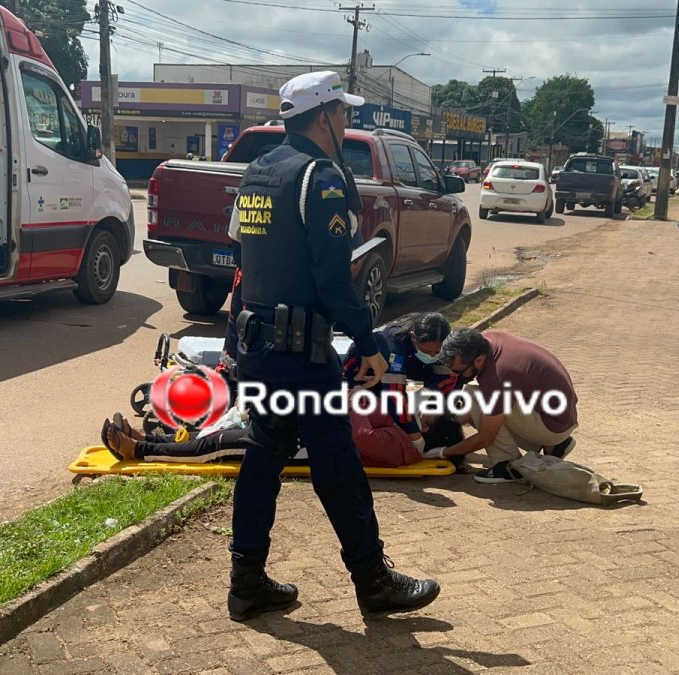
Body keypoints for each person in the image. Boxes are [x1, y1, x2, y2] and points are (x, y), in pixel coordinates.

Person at [224, 71, 440, 621]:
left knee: (264, 455)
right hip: (302, 354)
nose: (347, 121)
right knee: (337, 462)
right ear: (323, 117)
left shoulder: (259, 171)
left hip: (260, 347)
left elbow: (244, 262)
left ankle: (246, 580)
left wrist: (235, 339)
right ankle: (372, 579)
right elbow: (332, 279)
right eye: (343, 113)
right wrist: (369, 343)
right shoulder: (322, 177)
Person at [426, 328, 579, 484]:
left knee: (475, 397)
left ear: (478, 360)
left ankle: (507, 465)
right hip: (560, 417)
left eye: (459, 371)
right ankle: (554, 446)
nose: (456, 375)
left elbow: (486, 438)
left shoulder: (498, 377)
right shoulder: (488, 340)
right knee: (482, 408)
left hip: (552, 426)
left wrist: (443, 452)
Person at [100, 407, 464, 469]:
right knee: (221, 433)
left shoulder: (405, 447)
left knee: (217, 446)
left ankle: (139, 451)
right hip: (301, 431)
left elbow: (360, 434)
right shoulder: (403, 428)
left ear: (430, 429)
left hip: (301, 449)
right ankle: (147, 437)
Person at [341, 312, 460, 447]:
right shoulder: (393, 348)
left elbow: (449, 377)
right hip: (364, 375)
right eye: (427, 351)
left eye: (437, 351)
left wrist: (426, 398)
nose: (433, 355)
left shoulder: (444, 346)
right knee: (380, 415)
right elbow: (394, 396)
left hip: (407, 369)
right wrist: (415, 437)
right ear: (413, 337)